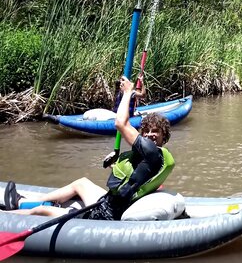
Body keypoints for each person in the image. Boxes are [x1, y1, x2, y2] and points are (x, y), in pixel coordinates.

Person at [4, 76, 174, 220]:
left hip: (105, 214)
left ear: (163, 137)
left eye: (156, 132)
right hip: (111, 202)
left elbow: (120, 123)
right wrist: (114, 166)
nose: (150, 135)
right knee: (81, 183)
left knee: (41, 211)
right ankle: (32, 200)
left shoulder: (152, 154)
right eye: (147, 132)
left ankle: (10, 214)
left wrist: (128, 92)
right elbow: (132, 183)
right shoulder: (152, 157)